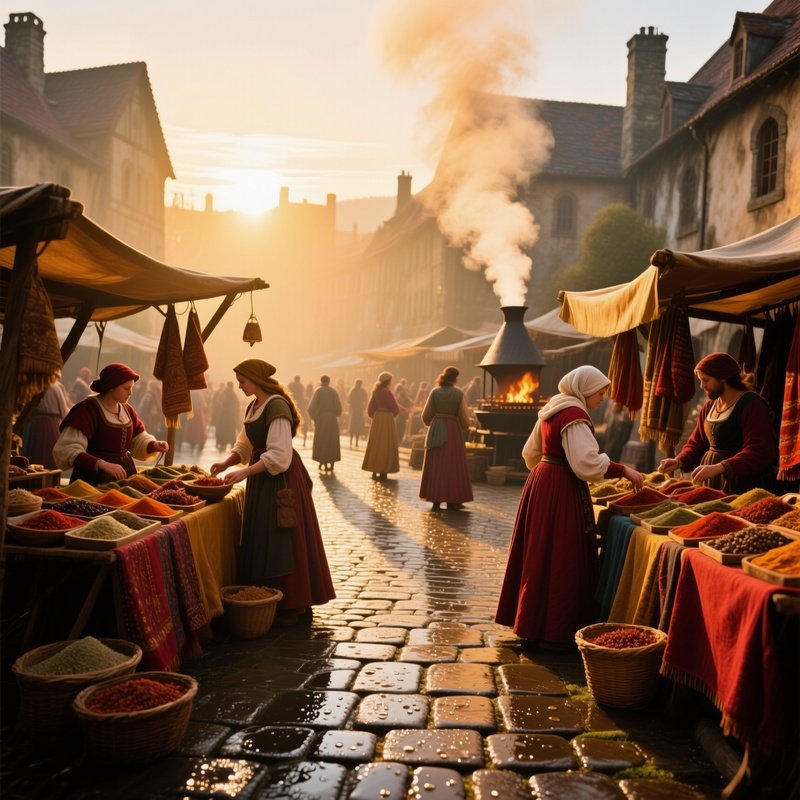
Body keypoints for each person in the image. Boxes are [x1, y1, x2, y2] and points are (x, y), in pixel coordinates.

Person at [495, 366, 644, 647]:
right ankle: (555, 631)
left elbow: (530, 452)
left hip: (542, 480)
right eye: (599, 393)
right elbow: (586, 463)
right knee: (562, 554)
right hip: (560, 486)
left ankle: (533, 623)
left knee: (540, 553)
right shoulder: (574, 415)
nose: (602, 398)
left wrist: (546, 472)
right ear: (584, 390)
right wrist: (622, 469)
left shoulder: (553, 408)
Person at [211, 359, 335, 625]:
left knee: (282, 537)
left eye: (242, 381)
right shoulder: (255, 405)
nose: (240, 386)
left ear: (256, 380)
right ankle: (268, 597)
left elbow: (279, 455)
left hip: (280, 480)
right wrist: (227, 462)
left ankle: (292, 604)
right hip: (262, 477)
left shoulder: (277, 406)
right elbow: (246, 443)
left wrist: (244, 472)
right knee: (263, 535)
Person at [658, 351, 776, 494]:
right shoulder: (709, 407)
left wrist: (722, 466)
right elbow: (697, 443)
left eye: (706, 380)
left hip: (741, 485)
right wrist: (679, 461)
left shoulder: (751, 404)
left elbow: (759, 449)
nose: (702, 386)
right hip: (711, 483)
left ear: (723, 378)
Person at [53, 362, 169, 485]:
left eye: (131, 388)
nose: (130, 393)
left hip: (124, 476)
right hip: (92, 478)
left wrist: (153, 445)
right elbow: (67, 448)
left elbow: (137, 438)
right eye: (126, 388)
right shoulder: (87, 409)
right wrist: (100, 463)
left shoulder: (127, 410)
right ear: (111, 386)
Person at [419, 366, 473, 511]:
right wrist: (466, 426)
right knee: (452, 465)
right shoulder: (458, 393)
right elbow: (463, 416)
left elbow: (426, 415)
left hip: (437, 428)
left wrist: (433, 423)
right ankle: (452, 500)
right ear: (455, 379)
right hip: (453, 431)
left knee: (436, 464)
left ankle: (435, 499)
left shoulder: (434, 392)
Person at [21, 370, 71, 469]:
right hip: (50, 426)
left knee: (34, 454)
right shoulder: (56, 387)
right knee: (49, 457)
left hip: (34, 425)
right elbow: (64, 412)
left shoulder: (35, 385)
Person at [361, 372, 400, 480]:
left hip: (377, 419)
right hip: (387, 419)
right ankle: (383, 470)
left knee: (376, 445)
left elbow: (370, 411)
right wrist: (390, 418)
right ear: (387, 382)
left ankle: (374, 469)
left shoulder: (376, 392)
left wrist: (377, 417)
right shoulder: (387, 393)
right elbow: (395, 409)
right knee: (385, 445)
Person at [307, 374, 342, 472]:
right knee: (332, 440)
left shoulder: (318, 391)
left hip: (321, 419)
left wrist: (315, 418)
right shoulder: (334, 391)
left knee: (321, 440)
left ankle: (322, 462)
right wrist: (334, 414)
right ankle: (331, 463)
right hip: (332, 419)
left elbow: (310, 408)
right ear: (329, 381)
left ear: (321, 381)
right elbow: (339, 409)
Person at [347, 378, 369, 448]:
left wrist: (350, 407)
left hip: (354, 410)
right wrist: (364, 407)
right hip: (359, 410)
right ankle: (356, 442)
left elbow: (348, 400)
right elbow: (366, 400)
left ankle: (351, 441)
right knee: (358, 425)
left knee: (352, 425)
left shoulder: (353, 390)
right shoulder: (362, 391)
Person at [394, 378, 413, 445]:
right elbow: (410, 402)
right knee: (401, 427)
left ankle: (397, 441)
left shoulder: (396, 394)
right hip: (402, 413)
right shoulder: (402, 393)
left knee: (397, 426)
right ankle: (399, 441)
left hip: (398, 414)